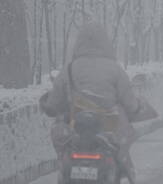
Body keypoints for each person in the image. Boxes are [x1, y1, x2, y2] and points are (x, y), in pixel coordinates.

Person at [40, 23, 141, 182]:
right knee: (122, 151)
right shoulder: (115, 69)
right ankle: (125, 172)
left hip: (76, 132)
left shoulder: (69, 69)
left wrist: (49, 105)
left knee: (63, 147)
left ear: (78, 44)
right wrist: (135, 108)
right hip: (108, 132)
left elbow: (53, 104)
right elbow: (130, 103)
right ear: (106, 44)